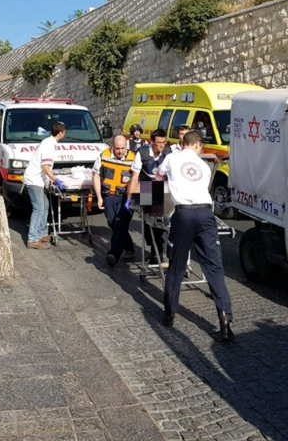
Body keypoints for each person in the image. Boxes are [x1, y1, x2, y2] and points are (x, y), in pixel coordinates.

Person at [157, 130, 233, 342]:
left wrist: (153, 202)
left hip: (184, 213)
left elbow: (157, 175)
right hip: (205, 213)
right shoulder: (203, 165)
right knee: (214, 267)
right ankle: (225, 319)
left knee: (177, 265)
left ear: (184, 143)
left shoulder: (171, 157)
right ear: (198, 145)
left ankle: (170, 314)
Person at [93, 134, 141, 266]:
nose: (120, 151)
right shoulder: (104, 155)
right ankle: (130, 248)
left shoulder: (135, 157)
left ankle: (114, 253)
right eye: (117, 148)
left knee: (121, 223)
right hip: (109, 195)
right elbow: (96, 175)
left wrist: (131, 199)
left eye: (123, 148)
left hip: (126, 196)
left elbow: (136, 178)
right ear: (112, 146)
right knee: (112, 223)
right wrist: (99, 197)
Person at [129, 128, 171, 263]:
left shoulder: (169, 153)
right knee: (148, 223)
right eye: (158, 142)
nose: (161, 145)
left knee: (162, 223)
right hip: (147, 187)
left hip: (163, 189)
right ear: (151, 142)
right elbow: (135, 176)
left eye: (164, 142)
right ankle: (154, 248)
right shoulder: (142, 153)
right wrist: (130, 197)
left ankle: (160, 253)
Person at [23, 121, 67, 249]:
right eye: (65, 132)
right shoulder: (49, 145)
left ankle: (41, 234)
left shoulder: (48, 142)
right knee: (39, 208)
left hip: (38, 179)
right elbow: (45, 166)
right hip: (34, 180)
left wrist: (50, 180)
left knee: (45, 205)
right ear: (61, 133)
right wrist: (55, 179)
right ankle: (32, 239)